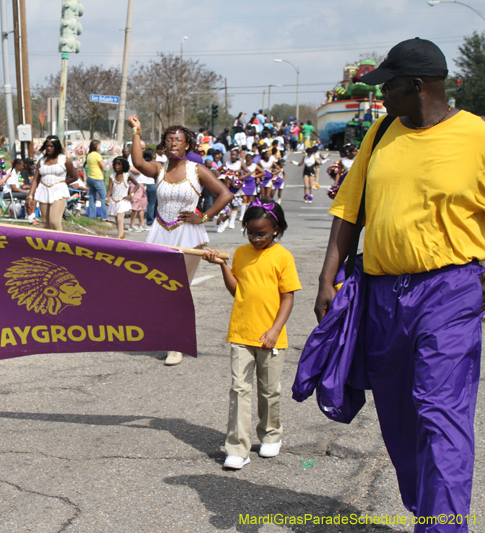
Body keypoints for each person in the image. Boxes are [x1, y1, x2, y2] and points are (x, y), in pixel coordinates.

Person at [315, 38, 485, 531]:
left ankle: (442, 525)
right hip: (383, 295)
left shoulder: (476, 136)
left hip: (450, 289)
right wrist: (328, 277)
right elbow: (351, 208)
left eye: (387, 86)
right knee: (398, 413)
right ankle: (428, 508)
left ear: (415, 86)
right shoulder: (383, 132)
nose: (380, 95)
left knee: (440, 410)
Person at [128, 114, 233, 365]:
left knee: (178, 289)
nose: (174, 143)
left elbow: (225, 194)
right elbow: (138, 162)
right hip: (160, 233)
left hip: (188, 235)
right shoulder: (159, 169)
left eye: (179, 140)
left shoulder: (197, 170)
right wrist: (137, 131)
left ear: (187, 145)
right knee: (158, 288)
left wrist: (203, 216)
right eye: (169, 140)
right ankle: (164, 335)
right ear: (164, 145)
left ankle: (176, 345)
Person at [203, 199, 300, 470]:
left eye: (262, 234)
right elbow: (237, 290)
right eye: (251, 233)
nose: (256, 238)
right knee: (239, 389)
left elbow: (288, 297)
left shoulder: (283, 257)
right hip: (241, 332)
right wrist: (222, 264)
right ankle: (237, 448)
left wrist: (274, 330)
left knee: (269, 391)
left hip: (270, 336)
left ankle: (271, 434)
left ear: (276, 230)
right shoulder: (242, 253)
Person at [26, 135, 77, 231]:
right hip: (43, 191)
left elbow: (74, 176)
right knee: (45, 224)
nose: (49, 148)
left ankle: (61, 245)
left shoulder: (65, 160)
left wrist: (62, 183)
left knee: (54, 222)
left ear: (56, 147)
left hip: (59, 193)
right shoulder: (41, 161)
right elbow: (36, 180)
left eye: (51, 146)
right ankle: (47, 245)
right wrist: (30, 196)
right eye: (47, 146)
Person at [105, 156, 137, 239]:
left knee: (120, 218)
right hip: (114, 200)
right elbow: (110, 188)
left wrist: (131, 195)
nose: (117, 166)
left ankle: (120, 237)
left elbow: (137, 185)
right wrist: (107, 198)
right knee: (116, 220)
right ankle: (121, 235)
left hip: (123, 201)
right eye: (115, 164)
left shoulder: (127, 175)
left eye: (119, 164)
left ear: (124, 166)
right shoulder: (112, 176)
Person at [85, 140, 108, 221]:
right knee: (104, 197)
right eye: (99, 146)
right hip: (97, 178)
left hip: (90, 177)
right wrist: (105, 165)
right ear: (96, 146)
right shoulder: (97, 155)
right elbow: (103, 167)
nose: (100, 147)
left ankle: (92, 216)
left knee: (92, 197)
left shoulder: (89, 155)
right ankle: (104, 216)